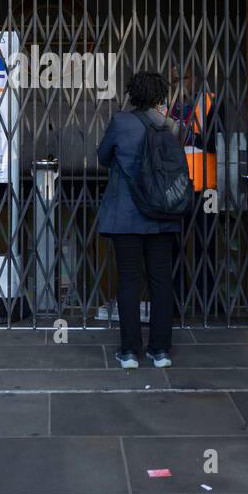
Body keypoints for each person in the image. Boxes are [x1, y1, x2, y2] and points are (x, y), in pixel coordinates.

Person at [97, 70, 181, 369]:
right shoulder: (168, 125)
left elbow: (103, 157)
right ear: (160, 95)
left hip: (127, 216)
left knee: (129, 280)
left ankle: (129, 352)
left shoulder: (121, 122)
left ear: (132, 93)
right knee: (161, 281)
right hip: (162, 214)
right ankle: (160, 352)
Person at [168, 65, 218, 317]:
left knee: (205, 247)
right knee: (173, 246)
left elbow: (216, 141)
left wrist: (185, 133)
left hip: (205, 187)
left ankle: (207, 301)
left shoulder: (209, 102)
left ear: (196, 79)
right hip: (176, 188)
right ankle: (175, 302)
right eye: (175, 79)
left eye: (185, 77)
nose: (180, 83)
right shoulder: (167, 107)